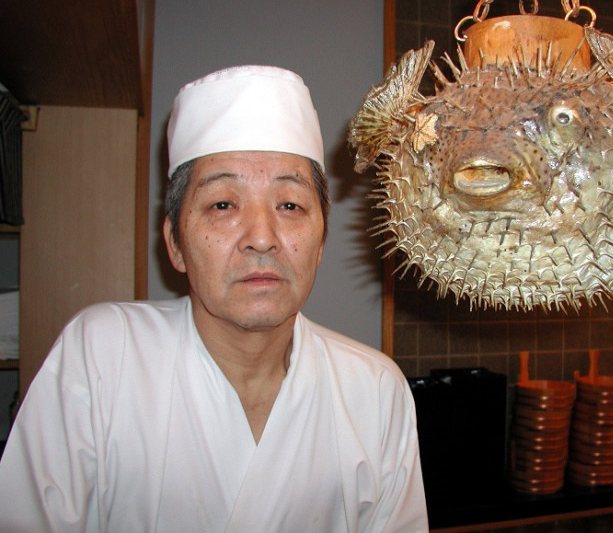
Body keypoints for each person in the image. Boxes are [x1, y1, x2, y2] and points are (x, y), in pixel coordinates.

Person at [0, 65, 428, 532]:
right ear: (176, 244)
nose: (262, 238)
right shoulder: (103, 358)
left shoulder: (375, 390)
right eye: (223, 204)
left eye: (290, 205)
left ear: (321, 242)